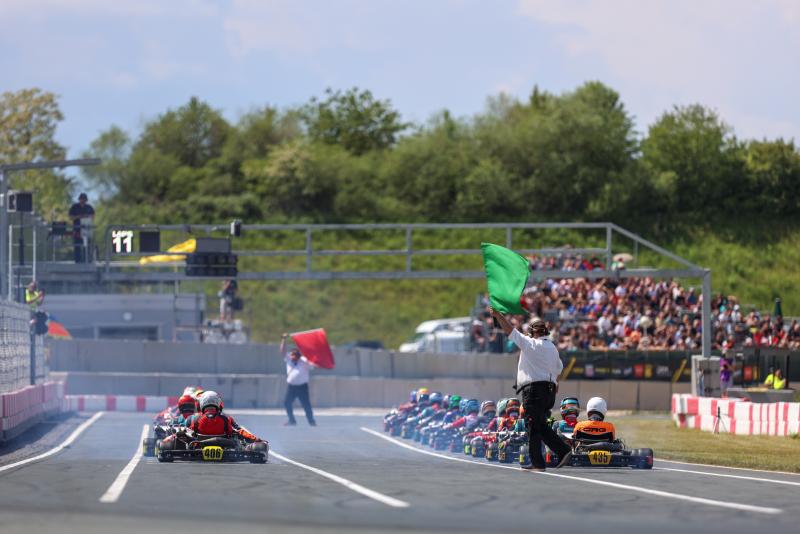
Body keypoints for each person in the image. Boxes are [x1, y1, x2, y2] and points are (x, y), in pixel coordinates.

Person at [490, 307, 572, 471]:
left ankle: (539, 462)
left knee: (533, 426)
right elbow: (559, 369)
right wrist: (555, 384)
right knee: (539, 424)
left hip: (534, 391)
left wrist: (498, 316)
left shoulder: (530, 344)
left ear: (533, 332)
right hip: (549, 391)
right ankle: (561, 451)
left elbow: (510, 331)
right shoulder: (552, 348)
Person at [280, 333, 317, 426]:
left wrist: (310, 358)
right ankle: (291, 420)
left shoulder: (305, 361)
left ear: (299, 356)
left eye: (295, 357)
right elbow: (282, 351)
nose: (294, 359)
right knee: (287, 403)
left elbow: (313, 365)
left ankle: (311, 421)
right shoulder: (289, 359)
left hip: (302, 387)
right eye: (292, 357)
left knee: (306, 405)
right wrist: (284, 339)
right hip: (292, 386)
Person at [68, 193, 95, 263]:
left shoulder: (89, 207)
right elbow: (71, 217)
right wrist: (79, 216)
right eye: (81, 199)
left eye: (84, 199)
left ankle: (87, 260)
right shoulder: (74, 207)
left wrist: (87, 216)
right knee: (77, 245)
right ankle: (78, 261)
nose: (83, 200)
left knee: (87, 245)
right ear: (79, 199)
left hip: (86, 229)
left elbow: (93, 216)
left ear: (86, 200)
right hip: (77, 229)